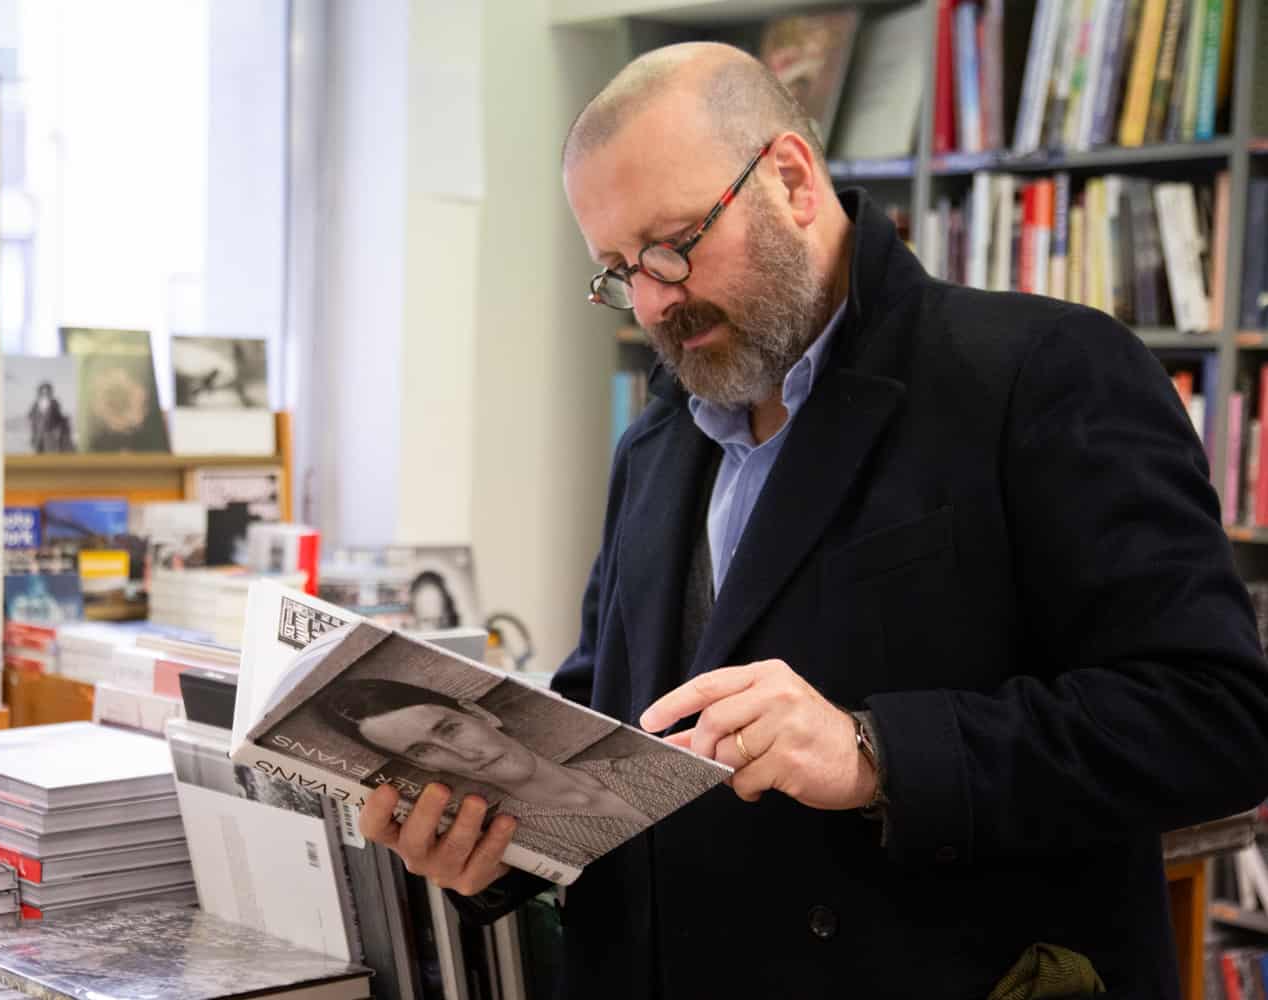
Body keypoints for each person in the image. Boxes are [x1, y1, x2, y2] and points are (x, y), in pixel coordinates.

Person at [359, 41, 1268, 998]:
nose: (655, 302)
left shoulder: (1041, 371)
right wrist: (499, 841)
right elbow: (611, 723)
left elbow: (1215, 719)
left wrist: (876, 752)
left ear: (790, 179)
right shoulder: (656, 441)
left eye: (673, 244)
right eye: (619, 269)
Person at [320, 678, 709, 869]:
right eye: (423, 750)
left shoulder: (653, 766)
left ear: (480, 714)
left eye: (449, 729)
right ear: (423, 765)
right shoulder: (510, 841)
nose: (463, 753)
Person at [27, 381, 75, 453]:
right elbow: (30, 417)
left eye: (47, 392)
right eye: (43, 392)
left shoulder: (54, 403)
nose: (45, 394)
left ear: (50, 392)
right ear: (40, 392)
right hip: (38, 435)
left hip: (50, 435)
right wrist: (33, 433)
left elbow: (59, 417)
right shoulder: (35, 404)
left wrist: (65, 420)